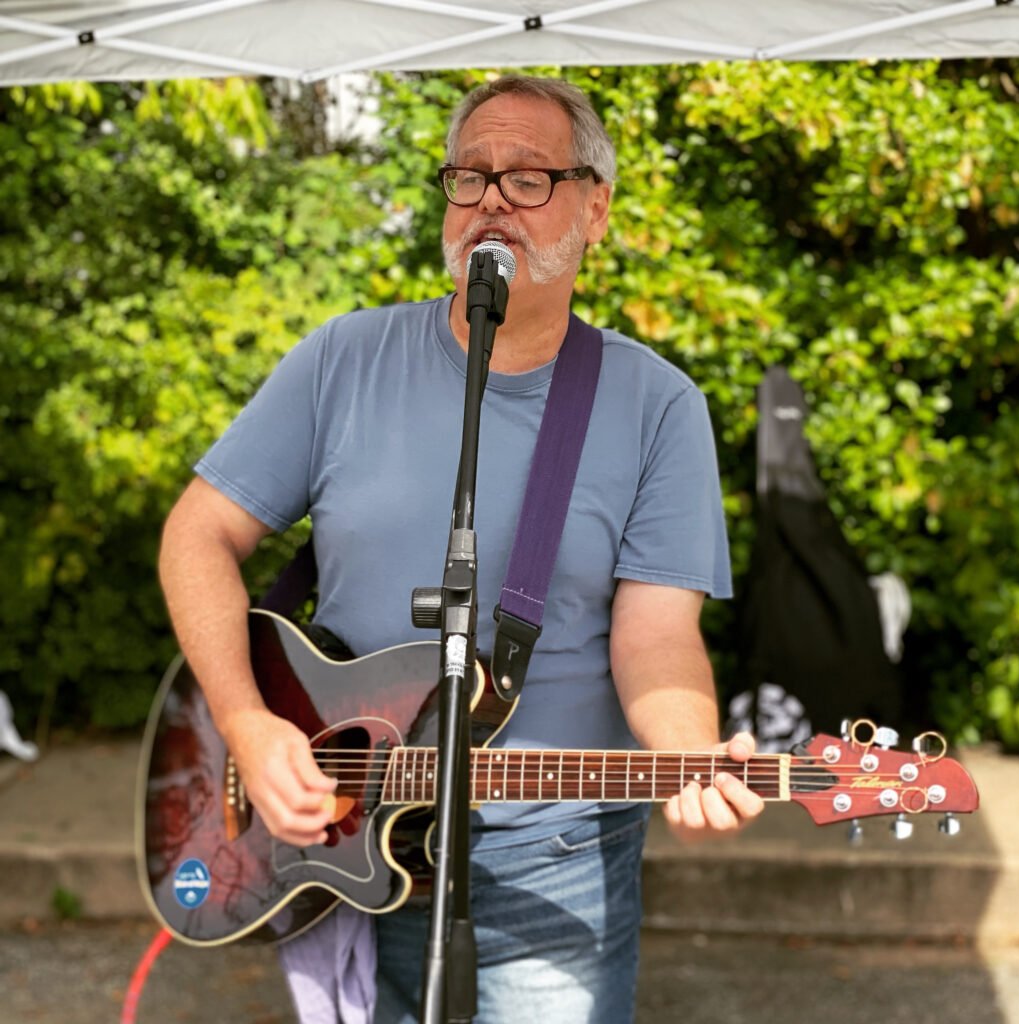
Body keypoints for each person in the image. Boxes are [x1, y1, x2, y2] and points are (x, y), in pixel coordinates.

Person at [158, 74, 765, 1024]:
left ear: (595, 209)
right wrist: (246, 722)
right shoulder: (342, 359)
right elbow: (198, 532)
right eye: (469, 175)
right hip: (347, 828)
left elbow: (656, 635)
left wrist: (690, 756)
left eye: (528, 178)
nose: (490, 199)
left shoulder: (657, 407)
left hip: (556, 854)